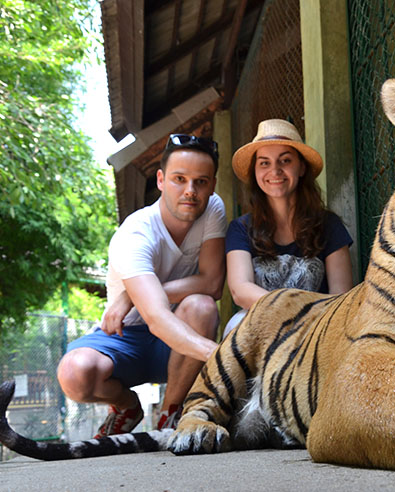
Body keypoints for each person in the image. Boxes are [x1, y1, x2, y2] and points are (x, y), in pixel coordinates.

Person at [57, 134, 227, 438]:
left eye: (201, 181)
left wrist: (132, 297)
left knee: (202, 305)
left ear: (213, 184)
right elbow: (156, 317)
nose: (191, 191)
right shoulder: (135, 233)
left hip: (181, 337)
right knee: (74, 373)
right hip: (128, 335)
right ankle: (126, 405)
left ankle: (169, 416)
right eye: (179, 179)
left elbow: (213, 283)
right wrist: (226, 357)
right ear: (161, 180)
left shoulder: (212, 208)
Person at [224, 119, 353, 336]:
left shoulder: (329, 225)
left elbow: (341, 296)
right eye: (264, 163)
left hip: (315, 328)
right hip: (259, 323)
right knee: (236, 326)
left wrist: (306, 322)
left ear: (301, 167)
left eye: (285, 160)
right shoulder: (240, 228)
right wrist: (291, 312)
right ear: (255, 172)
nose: (275, 171)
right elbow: (240, 290)